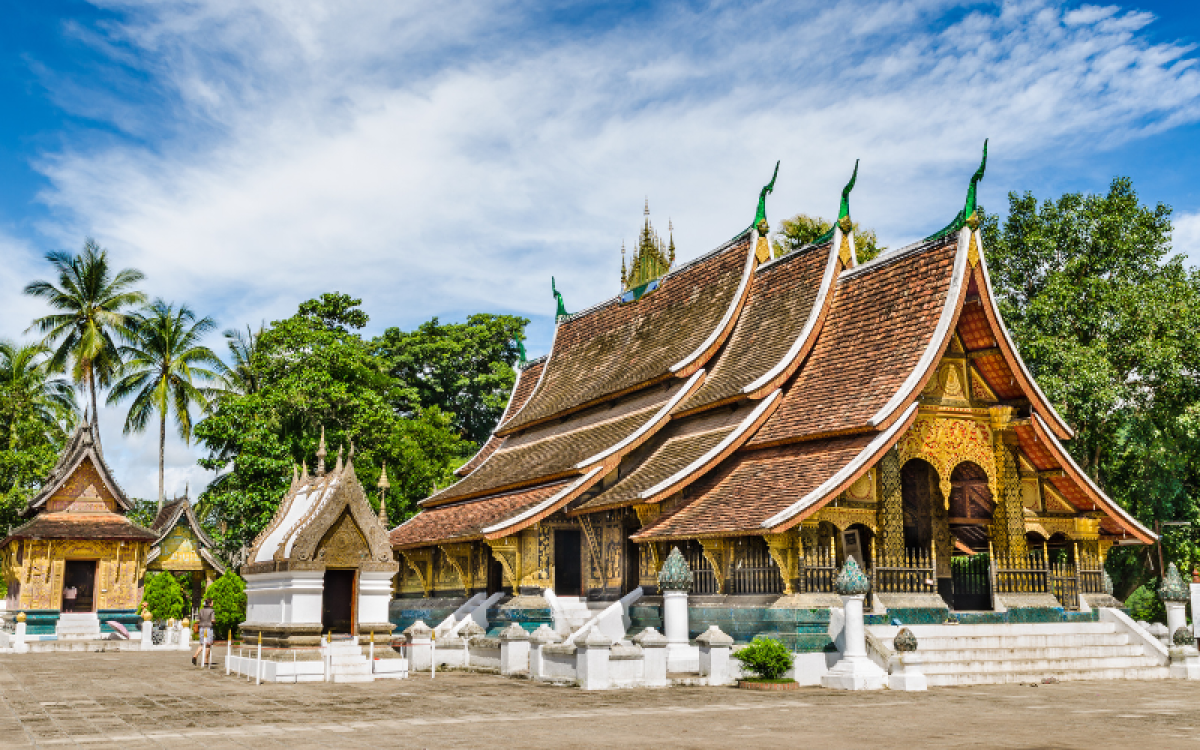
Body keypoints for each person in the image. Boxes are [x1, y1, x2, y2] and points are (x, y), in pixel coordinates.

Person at [192, 598, 215, 667]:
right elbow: (213, 620)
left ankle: (195, 655)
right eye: (212, 602)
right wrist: (215, 622)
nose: (213, 604)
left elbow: (198, 620)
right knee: (208, 644)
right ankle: (206, 660)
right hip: (208, 628)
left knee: (202, 644)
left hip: (201, 628)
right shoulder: (212, 611)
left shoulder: (201, 610)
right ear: (210, 604)